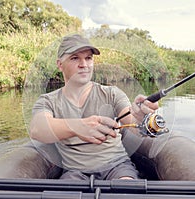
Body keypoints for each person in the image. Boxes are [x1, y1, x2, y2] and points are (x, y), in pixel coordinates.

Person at [29, 34, 158, 180]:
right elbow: (37, 128)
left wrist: (143, 117)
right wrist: (78, 127)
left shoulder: (112, 93)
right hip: (74, 172)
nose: (84, 64)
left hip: (117, 167)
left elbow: (132, 121)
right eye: (75, 58)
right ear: (59, 64)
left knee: (127, 189)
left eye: (88, 58)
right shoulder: (48, 101)